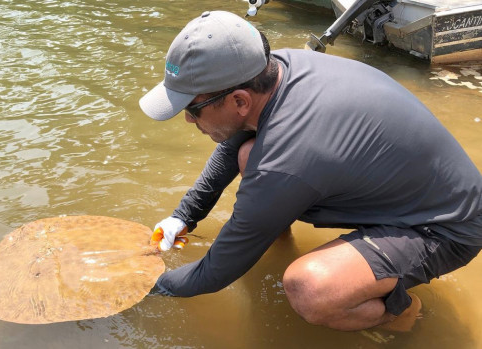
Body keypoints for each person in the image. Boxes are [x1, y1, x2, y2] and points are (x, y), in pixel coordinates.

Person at [138, 10, 482, 331]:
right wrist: (184, 216)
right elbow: (233, 144)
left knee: (310, 288)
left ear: (240, 101)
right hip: (404, 188)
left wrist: (140, 289)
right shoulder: (279, 67)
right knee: (247, 154)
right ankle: (280, 241)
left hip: (446, 226)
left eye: (193, 109)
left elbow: (212, 274)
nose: (187, 119)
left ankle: (406, 314)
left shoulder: (286, 160)